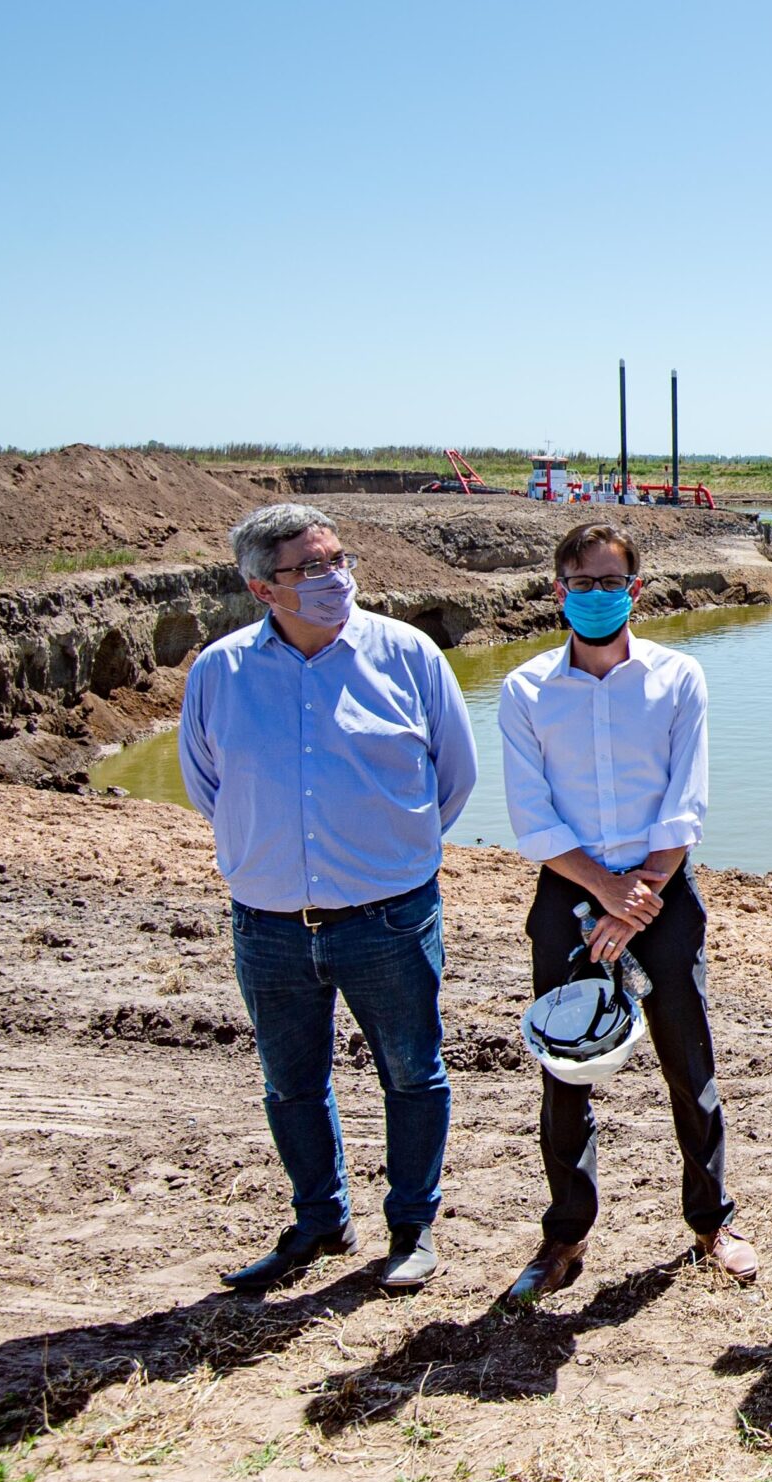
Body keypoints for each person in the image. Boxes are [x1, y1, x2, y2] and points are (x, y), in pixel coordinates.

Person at [180, 503, 475, 1294]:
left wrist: (383, 854)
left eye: (338, 560)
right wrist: (276, 857)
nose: (332, 578)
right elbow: (208, 786)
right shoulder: (219, 671)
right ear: (259, 587)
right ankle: (319, 1222)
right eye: (308, 568)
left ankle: (411, 1228)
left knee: (413, 1073)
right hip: (268, 923)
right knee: (290, 1081)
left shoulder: (408, 654)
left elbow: (453, 780)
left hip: (388, 916)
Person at [493, 522, 757, 1304]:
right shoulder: (524, 690)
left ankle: (712, 1221)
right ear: (558, 591)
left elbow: (686, 799)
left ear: (636, 590)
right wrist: (603, 892)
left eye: (612, 582)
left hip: (664, 895)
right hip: (568, 896)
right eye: (582, 582)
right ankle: (565, 1237)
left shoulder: (680, 678)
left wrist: (640, 891)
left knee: (689, 1061)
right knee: (565, 1067)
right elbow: (531, 814)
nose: (597, 595)